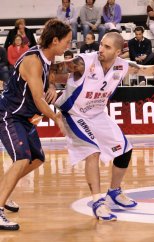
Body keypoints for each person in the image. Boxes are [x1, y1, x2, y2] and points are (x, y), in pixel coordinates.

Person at [50, 31, 154, 221]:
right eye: (101, 44)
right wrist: (51, 86)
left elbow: (148, 71)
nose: (101, 49)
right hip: (74, 114)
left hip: (97, 114)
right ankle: (97, 202)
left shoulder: (122, 66)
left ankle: (114, 192)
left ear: (118, 51)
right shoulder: (83, 62)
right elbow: (52, 69)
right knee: (92, 152)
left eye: (107, 47)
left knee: (125, 150)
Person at [0, 19, 71, 231]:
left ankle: (2, 190)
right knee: (22, 158)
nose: (68, 45)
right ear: (55, 40)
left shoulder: (44, 55)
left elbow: (42, 79)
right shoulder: (34, 60)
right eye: (66, 41)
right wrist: (56, 116)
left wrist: (50, 84)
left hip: (24, 117)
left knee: (37, 158)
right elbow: (39, 99)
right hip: (9, 115)